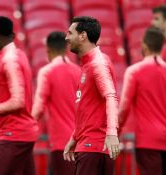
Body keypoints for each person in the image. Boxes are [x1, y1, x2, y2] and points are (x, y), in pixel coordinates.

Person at [0, 16, 38, 175]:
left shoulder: (9, 61)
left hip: (14, 133)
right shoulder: (20, 55)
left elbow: (18, 101)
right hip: (25, 133)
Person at [63, 16, 120, 175]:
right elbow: (87, 109)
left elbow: (111, 96)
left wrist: (111, 134)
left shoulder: (98, 64)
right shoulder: (89, 64)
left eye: (70, 33)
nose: (67, 37)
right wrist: (74, 138)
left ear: (83, 35)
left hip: (93, 148)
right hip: (89, 146)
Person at [118, 27, 166, 175]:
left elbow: (124, 108)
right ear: (161, 47)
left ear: (144, 45)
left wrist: (116, 132)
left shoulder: (134, 71)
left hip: (147, 141)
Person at [31, 31, 80, 175]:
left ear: (48, 50)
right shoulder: (79, 72)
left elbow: (38, 108)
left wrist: (26, 129)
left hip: (61, 143)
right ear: (67, 48)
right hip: (81, 143)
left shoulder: (47, 72)